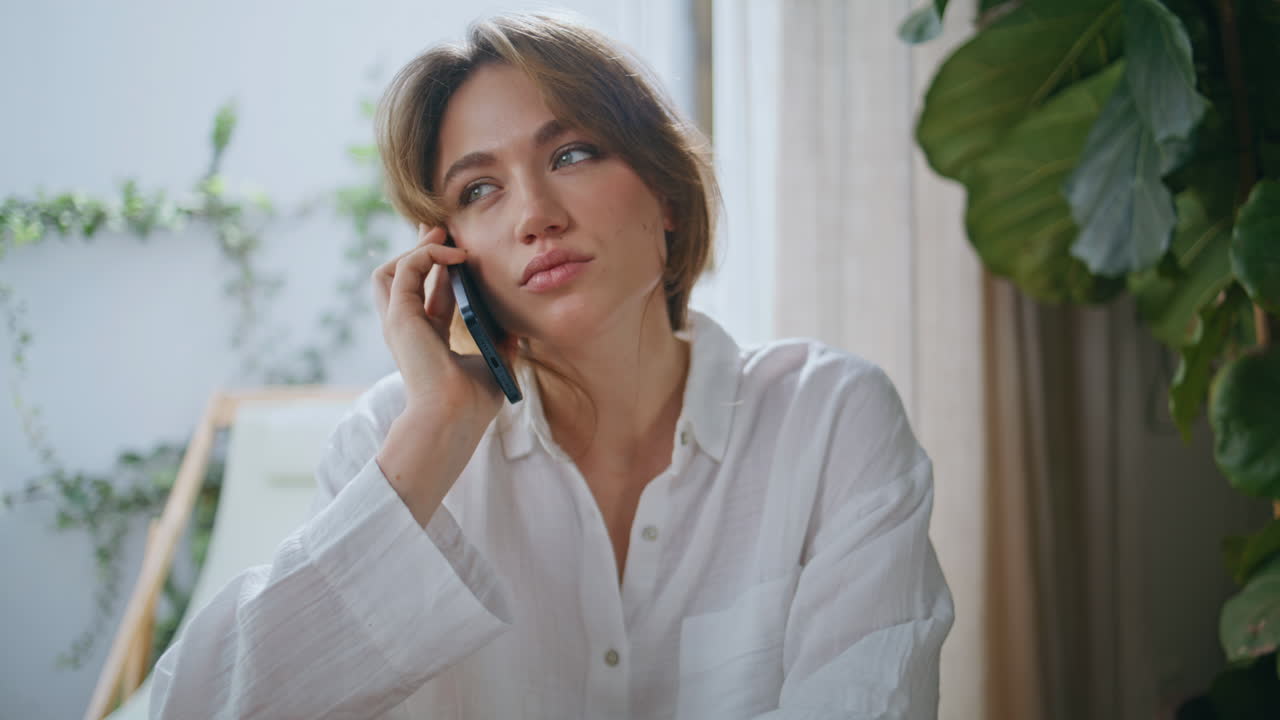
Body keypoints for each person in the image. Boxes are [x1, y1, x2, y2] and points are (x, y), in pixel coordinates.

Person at [149, 12, 953, 720]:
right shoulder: (392, 443)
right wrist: (438, 429)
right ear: (448, 255)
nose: (536, 215)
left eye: (571, 154)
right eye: (479, 190)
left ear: (666, 197)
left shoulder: (831, 419)